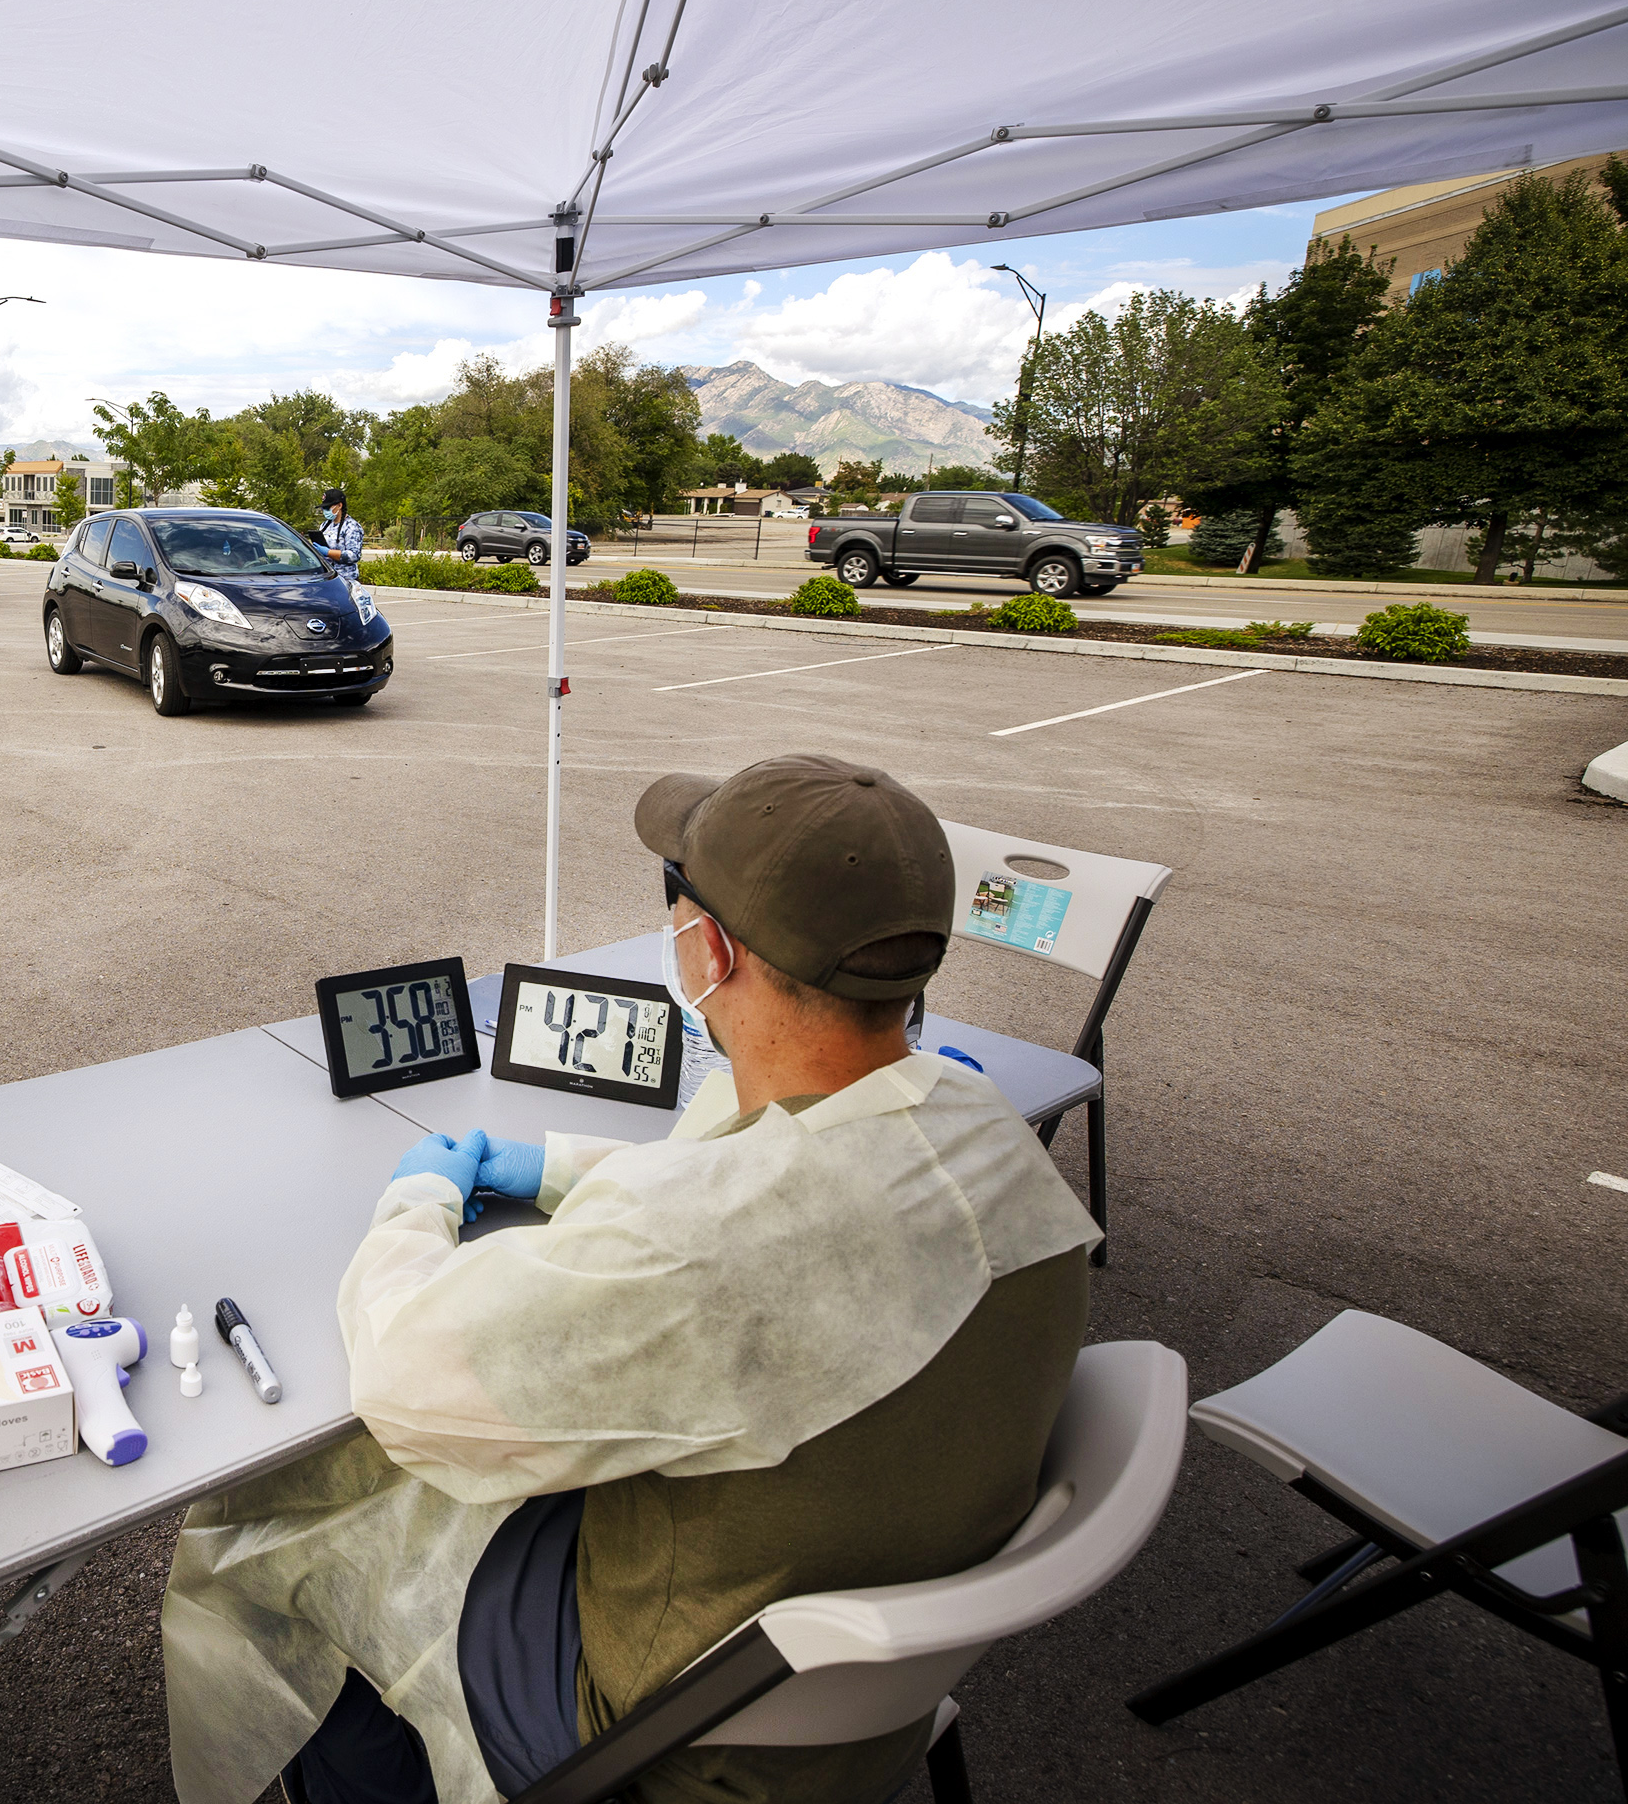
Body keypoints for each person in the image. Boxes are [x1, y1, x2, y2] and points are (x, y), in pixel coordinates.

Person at [162, 754, 1101, 1804]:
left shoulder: (693, 1251)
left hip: (670, 1730)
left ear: (706, 950)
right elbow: (793, 1185)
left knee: (291, 1543)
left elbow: (403, 1368)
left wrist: (413, 1204)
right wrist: (556, 1169)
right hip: (853, 1686)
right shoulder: (997, 1138)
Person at [318, 488, 364, 577]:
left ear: (339, 505)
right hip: (328, 576)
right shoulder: (324, 525)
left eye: (328, 507)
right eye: (323, 508)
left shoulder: (351, 526)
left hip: (346, 579)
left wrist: (328, 552)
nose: (325, 510)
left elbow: (354, 555)